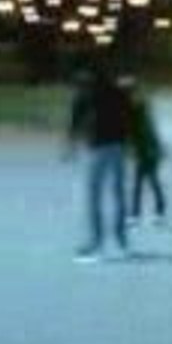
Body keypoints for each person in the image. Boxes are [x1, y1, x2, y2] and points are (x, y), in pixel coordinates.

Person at [65, 65, 135, 261]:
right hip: (117, 146)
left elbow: (75, 120)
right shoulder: (118, 91)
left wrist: (70, 145)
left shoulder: (84, 92)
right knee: (117, 193)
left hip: (97, 147)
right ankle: (121, 242)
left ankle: (97, 244)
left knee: (94, 196)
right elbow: (129, 116)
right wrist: (130, 143)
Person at [127, 79, 167, 227]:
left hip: (148, 151)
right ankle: (141, 214)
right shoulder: (137, 108)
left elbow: (147, 133)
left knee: (150, 181)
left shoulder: (139, 109)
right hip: (145, 151)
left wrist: (152, 150)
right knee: (144, 182)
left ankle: (155, 212)